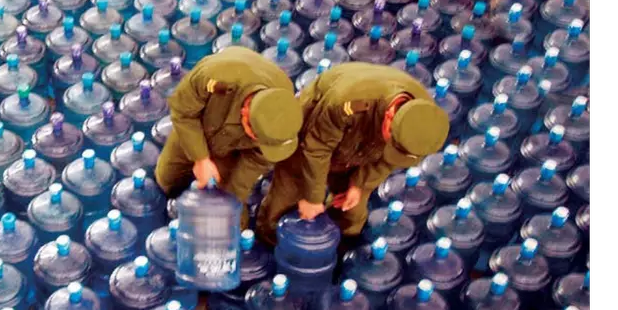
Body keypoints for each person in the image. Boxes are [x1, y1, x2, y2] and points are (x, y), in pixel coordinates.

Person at [253, 60, 452, 246]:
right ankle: (269, 243)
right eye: (392, 142)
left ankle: (336, 253)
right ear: (390, 116)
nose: (394, 148)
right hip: (314, 131)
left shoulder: (425, 125)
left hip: (365, 151)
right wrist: (313, 197)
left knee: (353, 214)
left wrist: (359, 184)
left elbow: (391, 160)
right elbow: (316, 149)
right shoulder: (347, 103)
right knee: (282, 204)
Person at [151, 46, 302, 204]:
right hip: (196, 125)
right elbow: (182, 112)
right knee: (166, 178)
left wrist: (232, 203)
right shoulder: (215, 79)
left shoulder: (282, 116)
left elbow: (256, 161)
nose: (259, 142)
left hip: (234, 148)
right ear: (245, 111)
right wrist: (201, 158)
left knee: (224, 198)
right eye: (256, 136)